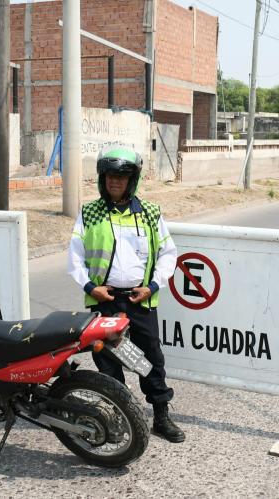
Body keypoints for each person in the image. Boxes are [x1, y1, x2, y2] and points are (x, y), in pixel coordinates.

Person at [67, 147, 185, 443]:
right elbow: (75, 256)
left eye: (121, 177)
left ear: (132, 180)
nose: (114, 181)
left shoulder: (150, 213)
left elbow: (168, 254)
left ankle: (161, 416)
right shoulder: (89, 213)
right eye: (109, 176)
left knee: (150, 359)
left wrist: (153, 286)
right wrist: (90, 287)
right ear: (102, 179)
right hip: (105, 300)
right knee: (107, 360)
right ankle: (118, 416)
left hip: (139, 299)